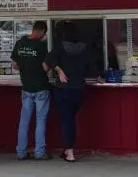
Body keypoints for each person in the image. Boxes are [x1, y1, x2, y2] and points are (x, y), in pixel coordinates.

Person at [48, 21, 103, 162]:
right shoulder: (84, 48)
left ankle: (70, 153)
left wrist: (59, 70)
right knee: (70, 119)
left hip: (63, 89)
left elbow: (49, 60)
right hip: (79, 89)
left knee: (67, 121)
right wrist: (99, 77)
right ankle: (67, 150)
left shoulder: (59, 47)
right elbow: (92, 66)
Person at [13, 20, 51, 160]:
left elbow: (14, 65)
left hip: (26, 87)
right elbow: (46, 67)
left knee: (24, 121)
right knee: (40, 120)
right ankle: (40, 152)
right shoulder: (42, 46)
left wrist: (26, 66)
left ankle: (21, 152)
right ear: (41, 31)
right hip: (41, 87)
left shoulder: (20, 43)